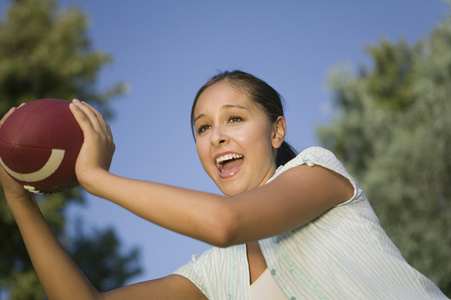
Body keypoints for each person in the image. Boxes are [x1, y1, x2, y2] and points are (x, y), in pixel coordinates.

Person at [0, 70, 447, 299]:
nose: (216, 135)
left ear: (277, 132)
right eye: (202, 127)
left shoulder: (317, 172)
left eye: (235, 118)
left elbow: (224, 222)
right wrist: (18, 197)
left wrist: (97, 179)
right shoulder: (217, 274)